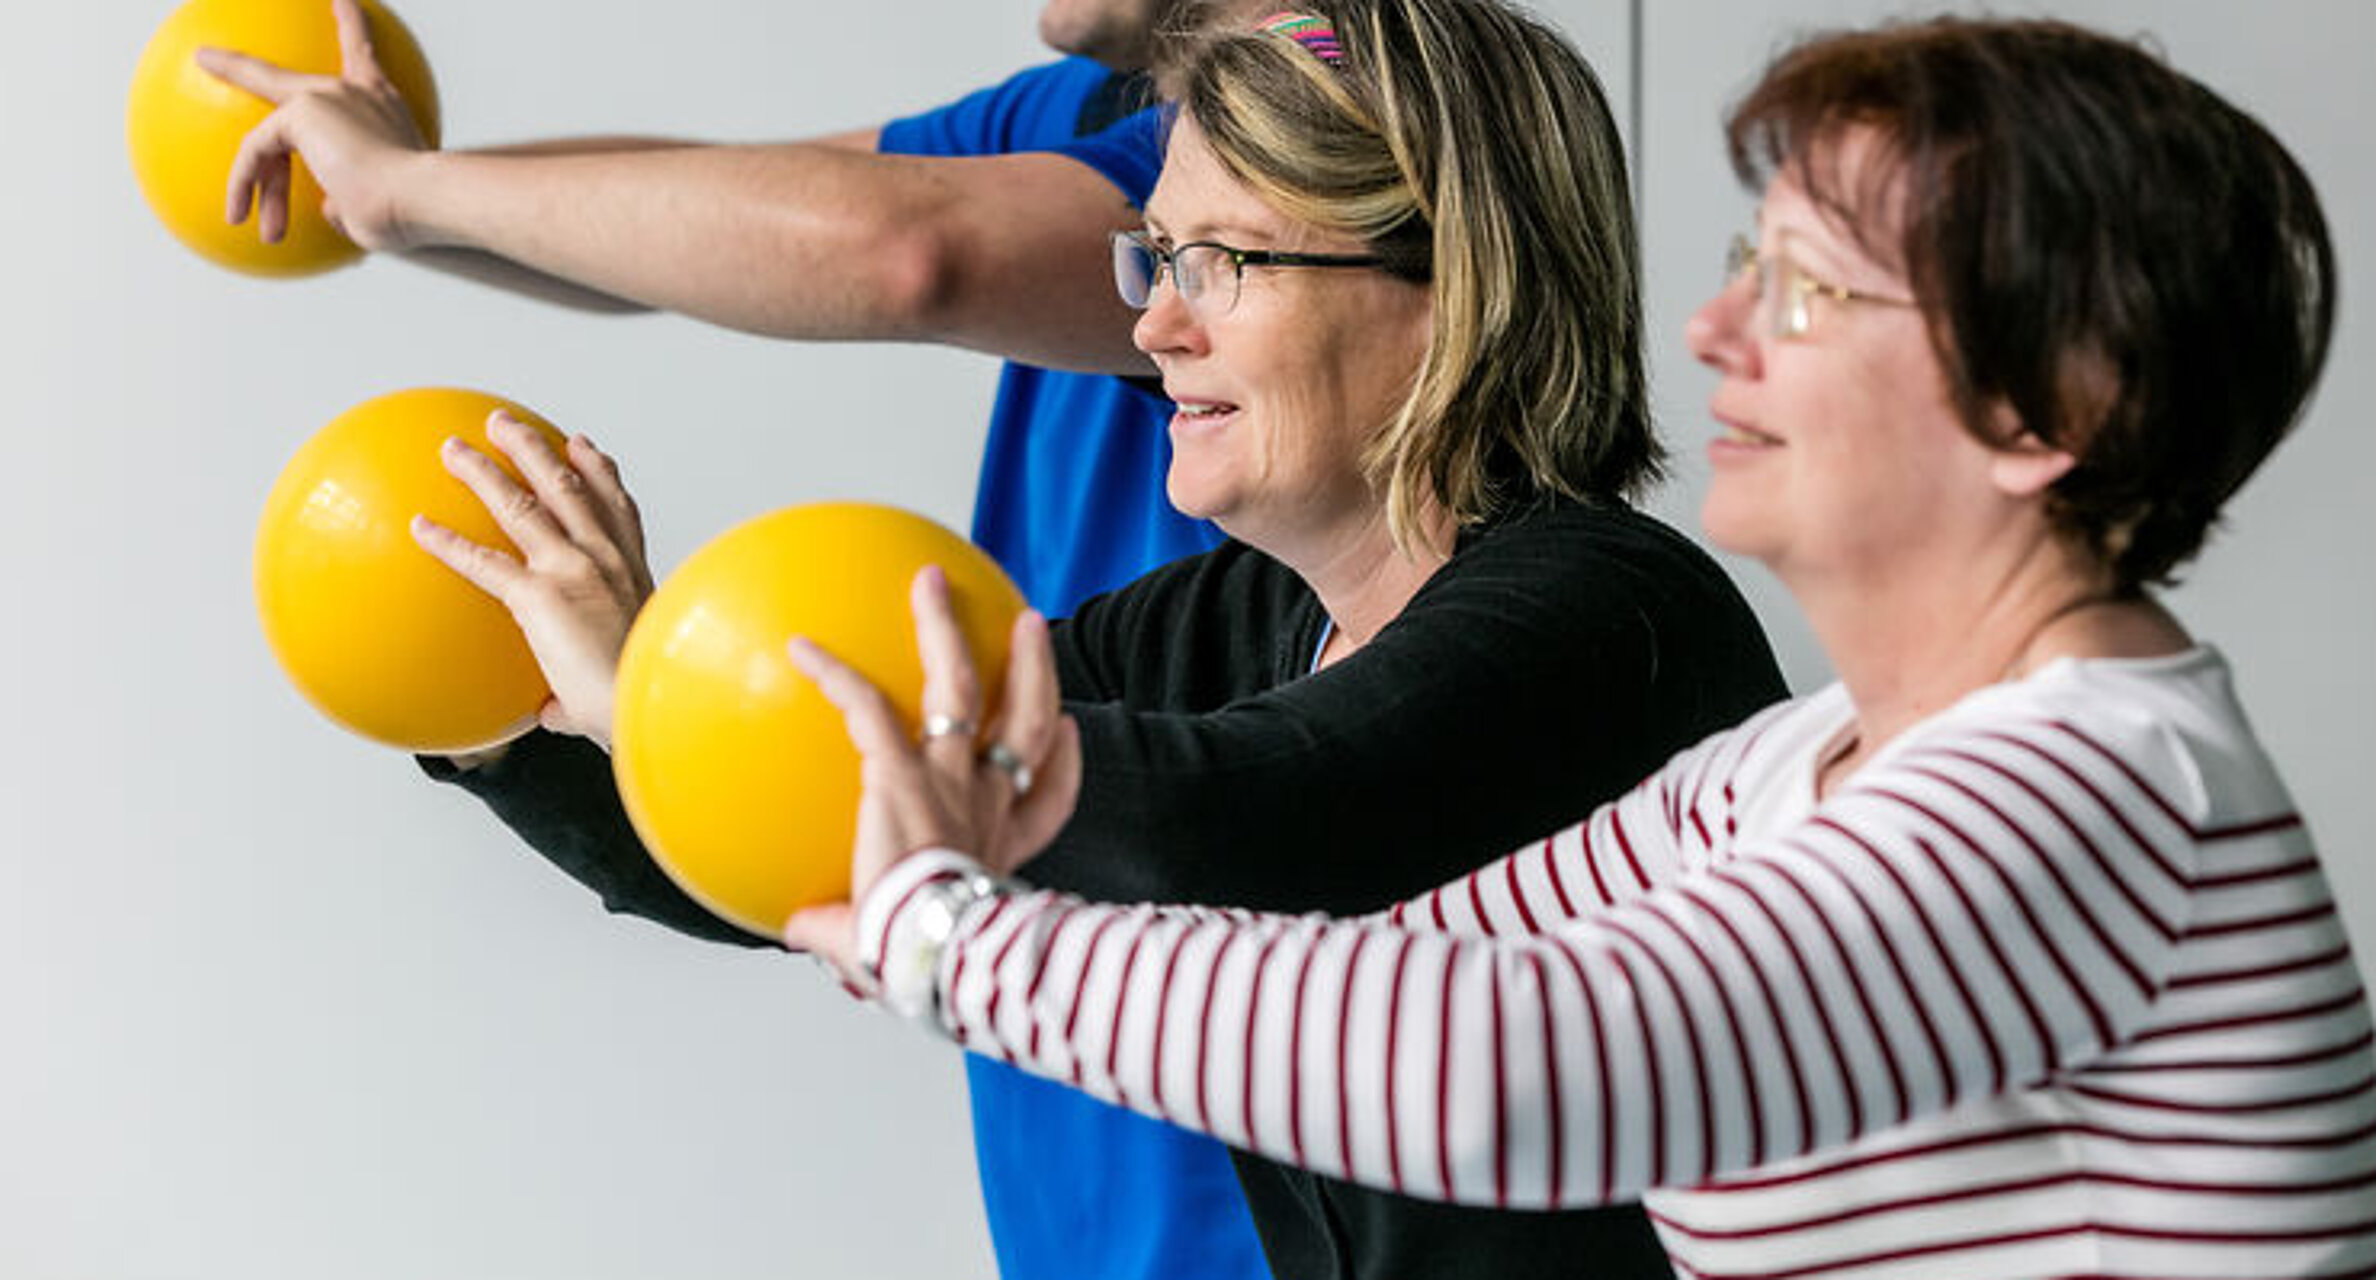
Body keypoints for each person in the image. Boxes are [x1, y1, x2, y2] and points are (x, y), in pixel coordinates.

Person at [794, 15, 2374, 1280]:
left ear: (2053, 409)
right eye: (1753, 267)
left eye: (1813, 293)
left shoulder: (2097, 792)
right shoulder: (1794, 771)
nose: (1715, 330)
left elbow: (1513, 1068)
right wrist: (971, 873)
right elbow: (1424, 963)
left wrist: (961, 943)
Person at [406, 3, 1787, 1276]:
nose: (1153, 322)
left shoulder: (1608, 618)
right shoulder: (1245, 617)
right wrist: (496, 709)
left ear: (1447, 286)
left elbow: (1231, 820)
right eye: (1160, 255)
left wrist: (655, 683)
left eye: (1222, 263)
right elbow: (811, 835)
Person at [198, 2, 1252, 1275]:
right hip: (1076, 1192)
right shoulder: (1088, 111)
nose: (1163, 297)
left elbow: (905, 251)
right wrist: (386, 179)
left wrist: (413, 189)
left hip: (1261, 1186)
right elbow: (713, 203)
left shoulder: (1328, 126)